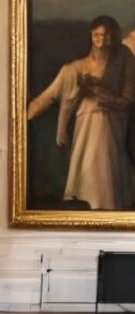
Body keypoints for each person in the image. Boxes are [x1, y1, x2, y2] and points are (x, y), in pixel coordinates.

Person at [27, 15, 135, 209]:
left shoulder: (124, 58)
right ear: (92, 36)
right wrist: (20, 118)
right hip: (85, 126)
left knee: (105, 177)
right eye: (97, 35)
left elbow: (126, 100)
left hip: (110, 127)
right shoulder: (75, 69)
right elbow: (47, 97)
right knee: (87, 170)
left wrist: (100, 92)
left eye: (107, 35)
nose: (102, 41)